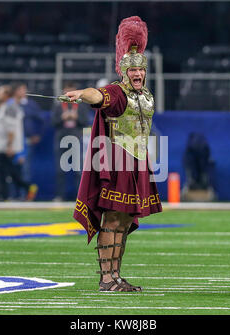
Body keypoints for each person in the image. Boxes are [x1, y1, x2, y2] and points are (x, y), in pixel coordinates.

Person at [67, 16, 162, 292]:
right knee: (111, 220)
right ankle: (106, 279)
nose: (138, 75)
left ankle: (117, 276)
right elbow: (97, 95)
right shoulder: (117, 92)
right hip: (117, 165)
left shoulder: (145, 95)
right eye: (133, 71)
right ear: (123, 71)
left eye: (141, 71)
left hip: (137, 165)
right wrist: (80, 94)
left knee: (124, 221)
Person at [0, 85, 38, 201]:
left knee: (4, 172)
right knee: (11, 173)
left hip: (7, 147)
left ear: (6, 94)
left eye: (0, 92)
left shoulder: (10, 107)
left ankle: (5, 195)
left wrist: (9, 146)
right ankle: (25, 188)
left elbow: (11, 129)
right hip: (4, 146)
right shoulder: (7, 106)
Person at [51, 81, 89, 201]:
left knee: (78, 170)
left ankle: (80, 196)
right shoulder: (58, 105)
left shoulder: (81, 105)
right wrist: (62, 118)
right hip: (61, 139)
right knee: (60, 170)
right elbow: (53, 122)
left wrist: (76, 118)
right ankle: (60, 195)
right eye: (67, 90)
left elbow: (86, 122)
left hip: (76, 139)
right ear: (63, 91)